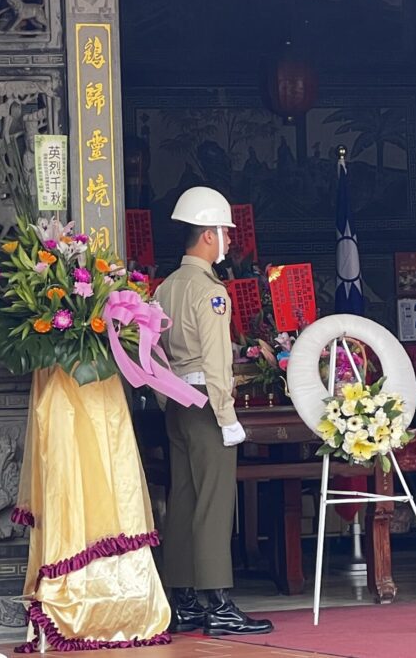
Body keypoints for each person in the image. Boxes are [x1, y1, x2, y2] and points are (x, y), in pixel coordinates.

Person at [154, 186, 274, 637]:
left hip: (178, 404)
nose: (229, 239)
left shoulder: (167, 286)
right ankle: (218, 602)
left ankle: (183, 599)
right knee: (215, 503)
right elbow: (216, 362)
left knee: (184, 499)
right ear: (208, 236)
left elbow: (158, 352)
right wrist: (227, 418)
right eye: (225, 231)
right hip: (206, 403)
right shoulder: (210, 291)